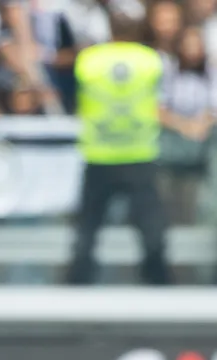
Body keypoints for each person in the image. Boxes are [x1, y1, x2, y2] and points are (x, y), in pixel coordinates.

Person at [67, 14, 169, 285]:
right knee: (151, 228)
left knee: (88, 229)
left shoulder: (89, 60)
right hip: (139, 152)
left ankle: (78, 286)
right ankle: (158, 284)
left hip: (99, 152)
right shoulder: (150, 59)